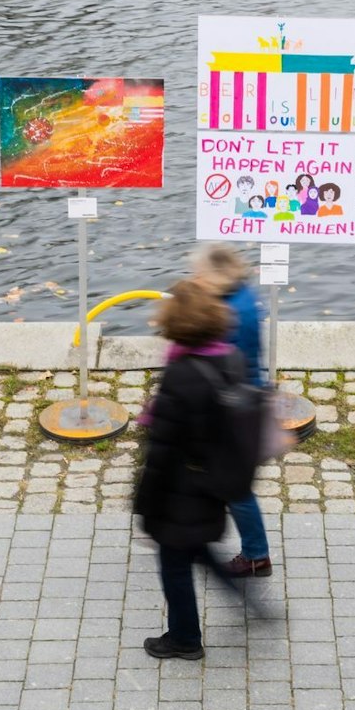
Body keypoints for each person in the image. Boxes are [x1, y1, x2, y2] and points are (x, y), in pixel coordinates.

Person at [133, 279, 254, 661]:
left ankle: (185, 638)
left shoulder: (180, 375)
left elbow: (162, 452)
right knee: (198, 549)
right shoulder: (232, 359)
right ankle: (252, 603)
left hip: (179, 490)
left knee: (174, 564)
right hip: (213, 483)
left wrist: (145, 506)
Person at [190, 243, 274, 577]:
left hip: (233, 410)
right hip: (245, 402)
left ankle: (256, 555)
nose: (195, 278)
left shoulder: (228, 313)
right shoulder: (242, 296)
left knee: (234, 487)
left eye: (199, 273)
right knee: (223, 480)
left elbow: (218, 362)